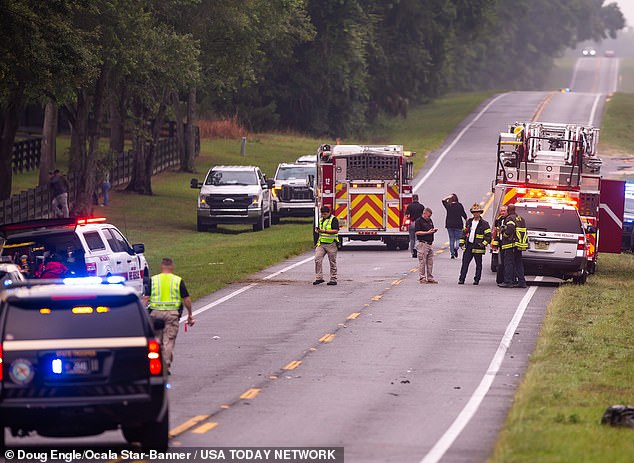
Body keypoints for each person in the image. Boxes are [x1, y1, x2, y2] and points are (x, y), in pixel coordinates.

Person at [143, 258, 195, 373]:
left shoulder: (154, 280)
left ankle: (156, 364)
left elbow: (146, 298)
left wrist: (141, 314)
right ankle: (165, 365)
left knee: (156, 340)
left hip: (155, 314)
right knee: (169, 340)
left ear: (162, 267)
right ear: (172, 267)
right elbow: (186, 299)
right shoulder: (177, 280)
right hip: (172, 314)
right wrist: (190, 314)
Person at [458, 203, 492, 285]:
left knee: (478, 265)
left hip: (478, 247)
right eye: (474, 212)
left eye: (477, 212)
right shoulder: (469, 222)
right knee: (465, 263)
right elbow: (464, 232)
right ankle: (461, 279)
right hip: (469, 246)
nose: (475, 214)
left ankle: (477, 280)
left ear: (480, 213)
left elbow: (488, 236)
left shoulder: (484, 224)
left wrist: (482, 244)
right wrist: (462, 242)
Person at [499, 204, 528, 288]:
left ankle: (508, 281)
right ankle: (521, 282)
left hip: (510, 245)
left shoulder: (509, 218)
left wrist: (504, 234)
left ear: (508, 210)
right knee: (518, 263)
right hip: (519, 245)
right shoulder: (521, 219)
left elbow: (510, 228)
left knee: (509, 263)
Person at [314, 205, 339, 285]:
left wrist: (324, 231)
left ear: (329, 213)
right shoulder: (321, 220)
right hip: (321, 243)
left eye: (325, 214)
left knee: (332, 262)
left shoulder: (334, 219)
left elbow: (335, 231)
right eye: (322, 214)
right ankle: (319, 278)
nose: (323, 215)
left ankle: (333, 279)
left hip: (331, 243)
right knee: (317, 259)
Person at [415, 207, 438, 284]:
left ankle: (430, 277)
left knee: (430, 261)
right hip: (422, 243)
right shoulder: (419, 221)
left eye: (430, 216)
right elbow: (417, 232)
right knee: (422, 261)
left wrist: (433, 231)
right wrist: (427, 232)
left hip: (429, 244)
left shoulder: (429, 221)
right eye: (428, 216)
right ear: (424, 214)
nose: (429, 218)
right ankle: (422, 277)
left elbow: (431, 228)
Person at [442, 193, 467, 259]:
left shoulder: (448, 205)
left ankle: (452, 254)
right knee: (458, 238)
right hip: (458, 224)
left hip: (449, 224)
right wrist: (466, 220)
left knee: (451, 239)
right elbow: (463, 214)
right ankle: (456, 247)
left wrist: (448, 197)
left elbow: (443, 200)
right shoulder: (459, 205)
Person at [492, 205, 508, 284]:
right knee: (500, 262)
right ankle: (501, 279)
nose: (502, 212)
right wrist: (495, 245)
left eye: (504, 211)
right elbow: (496, 233)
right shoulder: (498, 220)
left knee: (506, 262)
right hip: (501, 243)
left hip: (507, 244)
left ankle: (506, 279)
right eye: (501, 211)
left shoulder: (508, 220)